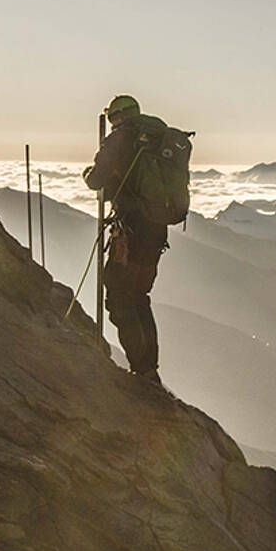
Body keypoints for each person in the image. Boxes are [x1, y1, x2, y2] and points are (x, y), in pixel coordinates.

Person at [83, 94, 174, 386]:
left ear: (117, 117)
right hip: (156, 230)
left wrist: (88, 173)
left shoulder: (121, 139)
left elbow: (97, 180)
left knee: (121, 298)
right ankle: (149, 367)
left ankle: (141, 370)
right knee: (139, 297)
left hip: (130, 232)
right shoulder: (156, 139)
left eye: (112, 118)